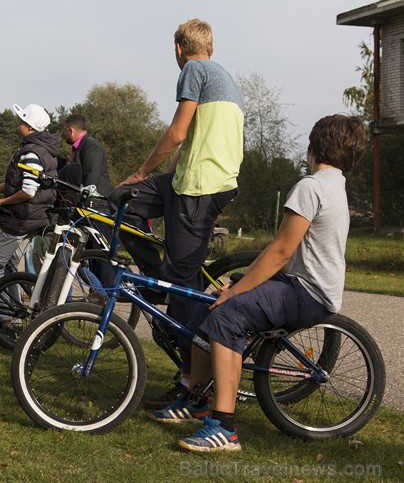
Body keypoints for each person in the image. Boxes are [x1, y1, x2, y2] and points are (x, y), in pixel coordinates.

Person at [148, 114, 367, 452]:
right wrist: (236, 287)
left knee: (226, 316)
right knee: (209, 305)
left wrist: (237, 291)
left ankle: (224, 428)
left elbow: (280, 251)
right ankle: (196, 399)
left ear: (315, 145)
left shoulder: (311, 186)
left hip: (305, 292)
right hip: (305, 286)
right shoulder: (335, 185)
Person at [108, 19, 244, 409]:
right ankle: (157, 278)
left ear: (179, 49)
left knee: (183, 289)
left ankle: (193, 384)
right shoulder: (222, 75)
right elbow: (198, 141)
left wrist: (141, 172)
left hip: (201, 188)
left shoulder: (194, 71)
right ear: (211, 48)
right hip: (190, 180)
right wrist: (156, 181)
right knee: (121, 199)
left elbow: (178, 133)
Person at [0, 103, 59, 342]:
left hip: (22, 219)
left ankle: (6, 320)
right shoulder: (43, 150)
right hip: (34, 218)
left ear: (28, 126)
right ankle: (13, 318)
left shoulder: (31, 152)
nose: (18, 124)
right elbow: (18, 183)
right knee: (9, 267)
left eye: (21, 120)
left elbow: (27, 191)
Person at [60, 114, 112, 198]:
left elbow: (91, 179)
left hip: (96, 203)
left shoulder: (91, 146)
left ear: (71, 131)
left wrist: (85, 198)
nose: (65, 134)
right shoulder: (82, 146)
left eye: (65, 131)